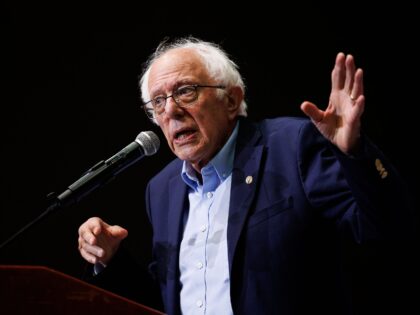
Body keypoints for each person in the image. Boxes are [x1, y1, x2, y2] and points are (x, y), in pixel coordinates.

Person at [77, 37, 414, 315]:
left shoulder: (291, 147)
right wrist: (112, 260)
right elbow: (166, 301)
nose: (171, 111)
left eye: (186, 91)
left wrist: (353, 153)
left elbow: (385, 228)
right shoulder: (161, 189)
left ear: (231, 100)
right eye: (158, 101)